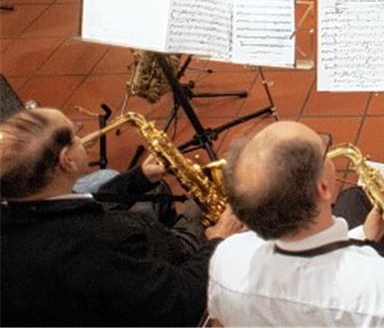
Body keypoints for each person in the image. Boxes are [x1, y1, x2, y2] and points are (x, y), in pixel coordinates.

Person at [209, 120, 384, 327]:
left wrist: (365, 234)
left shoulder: (226, 257)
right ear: (323, 189)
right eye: (323, 149)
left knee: (353, 197)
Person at [0, 107, 241, 326]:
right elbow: (179, 301)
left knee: (142, 187)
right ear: (67, 161)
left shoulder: (19, 204)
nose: (83, 138)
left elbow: (82, 200)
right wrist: (217, 240)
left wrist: (138, 179)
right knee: (222, 207)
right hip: (160, 283)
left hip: (104, 282)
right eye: (76, 135)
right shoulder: (102, 244)